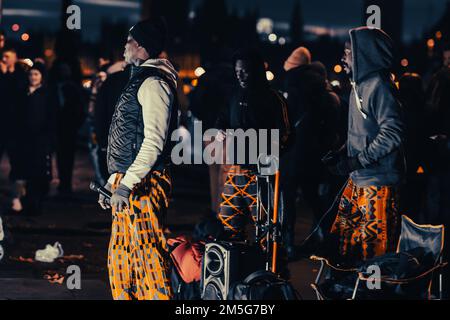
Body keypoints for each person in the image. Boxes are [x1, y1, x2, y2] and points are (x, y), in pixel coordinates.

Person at [97, 17, 179, 300]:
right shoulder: (141, 79)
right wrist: (112, 183)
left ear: (142, 48)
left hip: (146, 182)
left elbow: (153, 142)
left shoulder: (154, 83)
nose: (124, 47)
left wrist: (126, 183)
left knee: (147, 257)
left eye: (129, 42)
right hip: (129, 181)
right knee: (122, 257)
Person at [326, 27, 405, 262]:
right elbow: (365, 132)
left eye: (348, 52)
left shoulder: (379, 86)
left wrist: (357, 159)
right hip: (359, 178)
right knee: (344, 244)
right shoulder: (358, 85)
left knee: (373, 252)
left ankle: (373, 291)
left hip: (379, 183)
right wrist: (343, 153)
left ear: (364, 55)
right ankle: (348, 287)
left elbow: (393, 133)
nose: (343, 58)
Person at [215, 48, 291, 241]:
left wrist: (269, 156)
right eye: (237, 70)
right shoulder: (233, 95)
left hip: (261, 175)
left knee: (266, 229)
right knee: (227, 223)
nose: (239, 75)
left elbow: (286, 133)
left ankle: (272, 269)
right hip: (235, 171)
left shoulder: (273, 98)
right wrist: (220, 129)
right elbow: (222, 117)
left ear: (256, 71)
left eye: (244, 70)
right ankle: (236, 267)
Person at [281, 47, 341, 259]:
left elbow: (286, 117)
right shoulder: (320, 86)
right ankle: (327, 238)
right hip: (314, 152)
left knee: (287, 199)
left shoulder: (292, 82)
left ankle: (288, 244)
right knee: (313, 197)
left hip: (293, 150)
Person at [190, 56, 235, 214]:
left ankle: (216, 211)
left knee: (214, 172)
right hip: (230, 131)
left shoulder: (206, 78)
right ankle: (226, 214)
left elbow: (195, 104)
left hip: (209, 129)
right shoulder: (235, 77)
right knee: (227, 173)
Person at [19, 63, 57, 215]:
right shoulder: (23, 93)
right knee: (27, 171)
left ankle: (37, 202)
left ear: (41, 76)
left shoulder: (47, 93)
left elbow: (53, 116)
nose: (33, 77)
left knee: (40, 172)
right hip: (26, 139)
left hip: (42, 139)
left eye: (36, 74)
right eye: (31, 74)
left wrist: (50, 137)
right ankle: (28, 202)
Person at [50, 63, 85, 195]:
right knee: (59, 157)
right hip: (57, 128)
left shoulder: (72, 88)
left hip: (69, 128)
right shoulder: (53, 88)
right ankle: (62, 184)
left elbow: (80, 109)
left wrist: (75, 125)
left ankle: (66, 185)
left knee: (68, 158)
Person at [0, 47, 28, 212]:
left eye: (8, 56)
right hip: (2, 125)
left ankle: (16, 197)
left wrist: (6, 75)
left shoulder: (20, 75)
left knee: (17, 164)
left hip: (15, 127)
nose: (5, 59)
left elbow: (16, 94)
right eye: (3, 56)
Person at [398, 73, 427, 222]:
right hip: (418, 163)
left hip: (401, 163)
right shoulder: (424, 108)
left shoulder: (397, 110)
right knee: (415, 205)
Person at [94, 63, 131, 183]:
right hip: (135, 142)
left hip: (112, 139)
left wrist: (102, 140)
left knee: (112, 180)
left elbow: (100, 112)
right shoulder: (147, 80)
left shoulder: (111, 82)